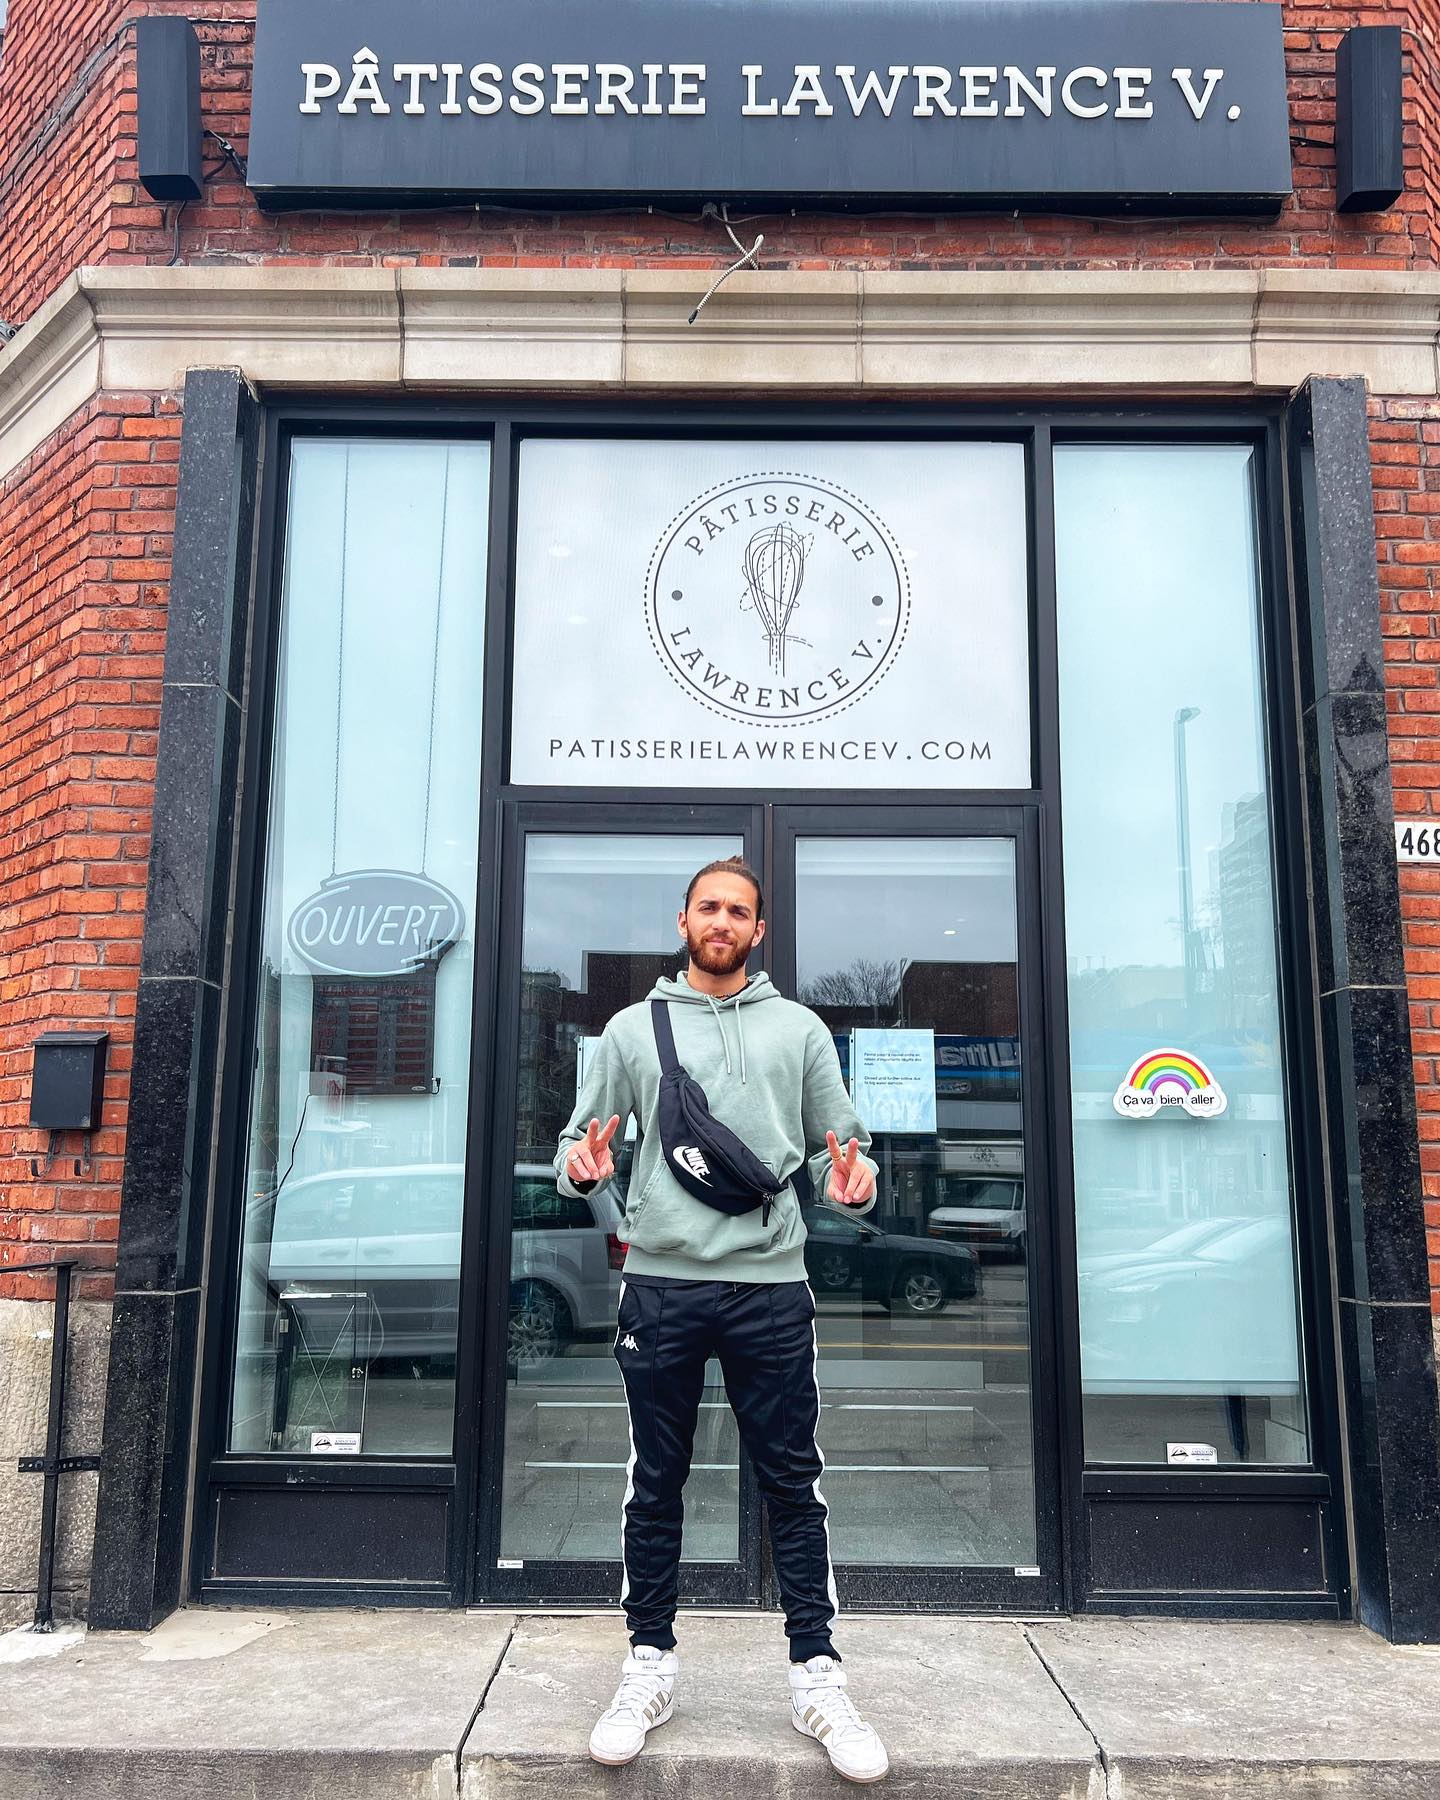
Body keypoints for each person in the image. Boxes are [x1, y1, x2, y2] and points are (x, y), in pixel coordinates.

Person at [555, 855, 890, 1785]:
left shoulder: (800, 1030)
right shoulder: (632, 1029)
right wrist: (582, 1170)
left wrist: (854, 1182)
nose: (722, 921)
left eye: (739, 911)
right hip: (661, 1285)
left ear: (758, 930)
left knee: (793, 1481)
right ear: (684, 920)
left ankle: (817, 1675)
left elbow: (841, 1149)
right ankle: (648, 1665)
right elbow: (577, 1144)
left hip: (771, 1287)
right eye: (709, 907)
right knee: (655, 1479)